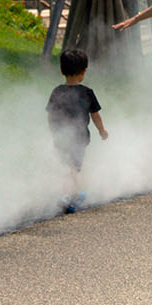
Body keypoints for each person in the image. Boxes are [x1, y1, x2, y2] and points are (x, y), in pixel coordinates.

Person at [46, 48, 108, 214]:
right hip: (79, 137)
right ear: (84, 71)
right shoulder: (87, 93)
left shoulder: (57, 92)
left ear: (62, 70)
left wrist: (53, 131)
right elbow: (95, 115)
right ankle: (71, 196)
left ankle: (70, 194)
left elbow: (51, 114)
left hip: (61, 136)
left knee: (67, 165)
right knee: (73, 167)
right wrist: (102, 131)